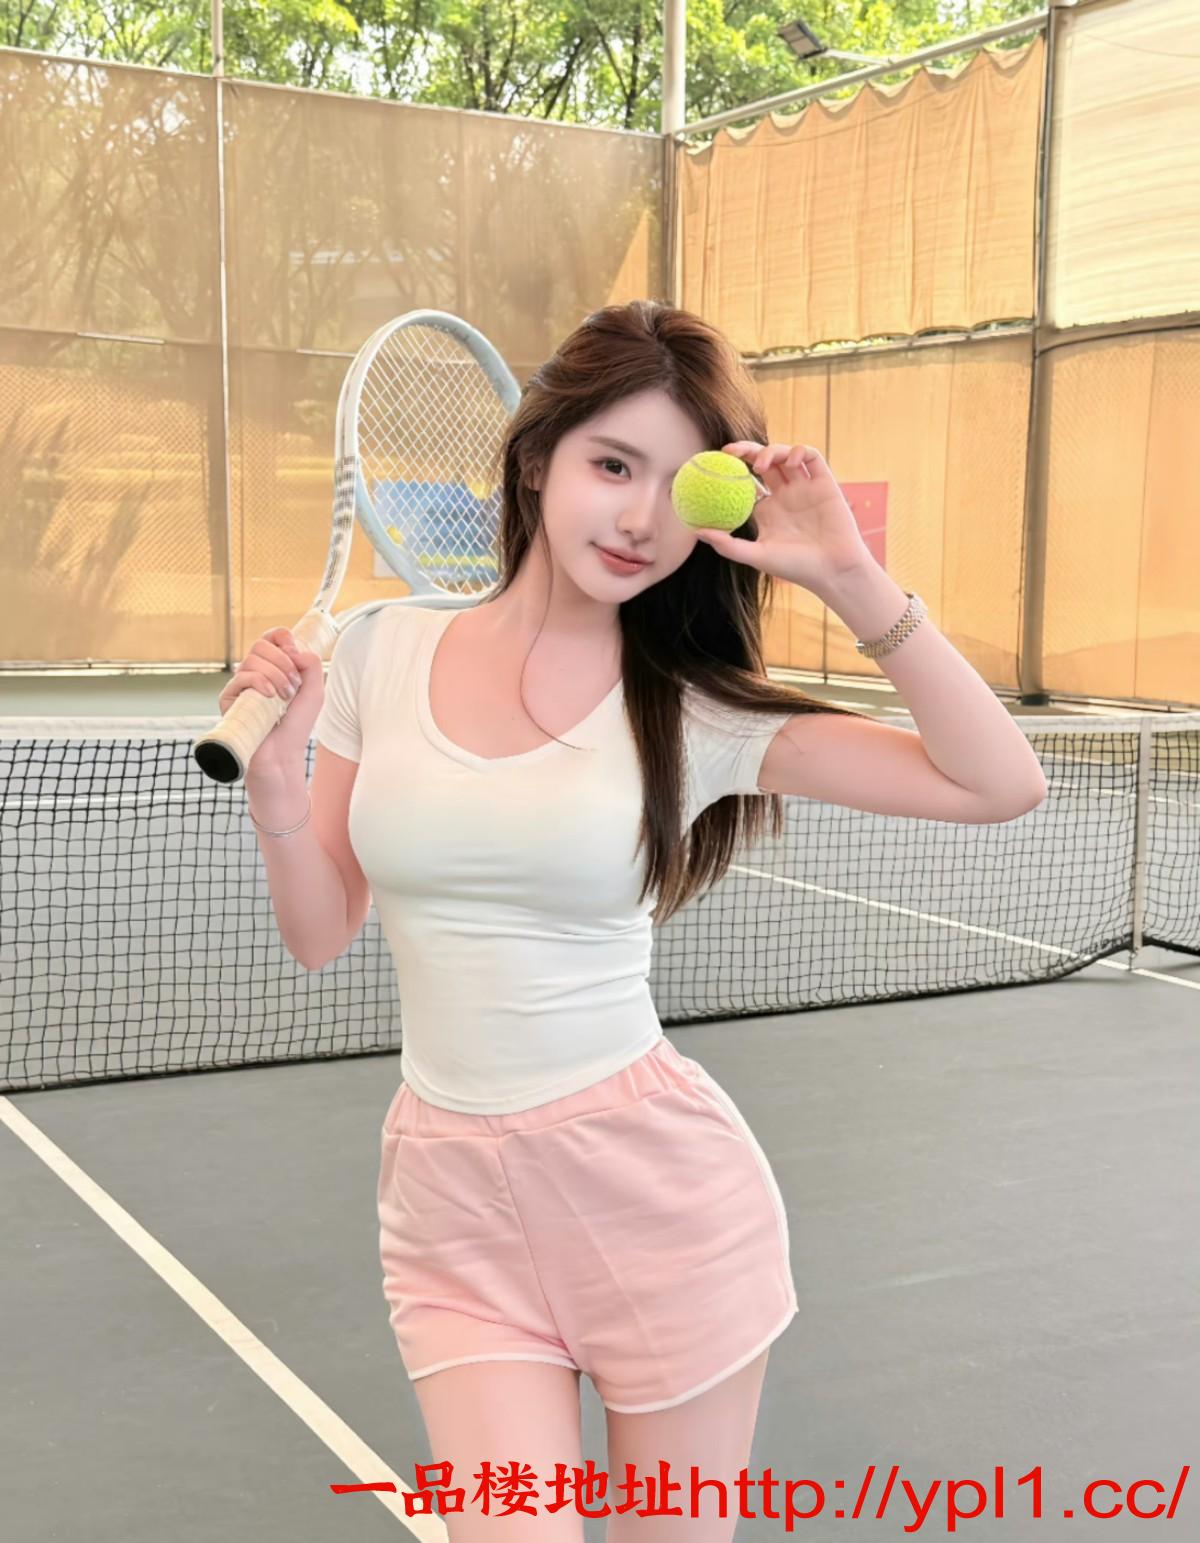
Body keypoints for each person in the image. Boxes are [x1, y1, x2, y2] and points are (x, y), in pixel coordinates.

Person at [226, 299, 887, 1541]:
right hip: (449, 1206)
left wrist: (849, 575)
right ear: (538, 459)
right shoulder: (378, 653)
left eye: (678, 489)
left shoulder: (691, 708)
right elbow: (319, 933)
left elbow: (1000, 783)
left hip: (659, 1204)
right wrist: (277, 798)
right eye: (612, 465)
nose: (640, 520)